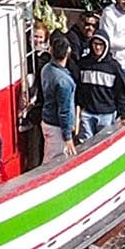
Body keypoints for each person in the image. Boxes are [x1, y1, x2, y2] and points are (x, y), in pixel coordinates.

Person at [73, 33, 125, 142]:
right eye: (95, 44)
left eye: (101, 44)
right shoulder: (83, 64)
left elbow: (121, 92)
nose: (97, 47)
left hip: (106, 114)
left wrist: (123, 115)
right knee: (85, 145)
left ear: (106, 46)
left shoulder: (113, 67)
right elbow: (78, 89)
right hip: (87, 114)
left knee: (104, 143)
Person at [39, 32, 79, 162]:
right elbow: (64, 111)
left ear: (51, 50)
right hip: (57, 127)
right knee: (53, 161)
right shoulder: (64, 82)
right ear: (68, 52)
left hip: (47, 120)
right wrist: (68, 137)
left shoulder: (46, 69)